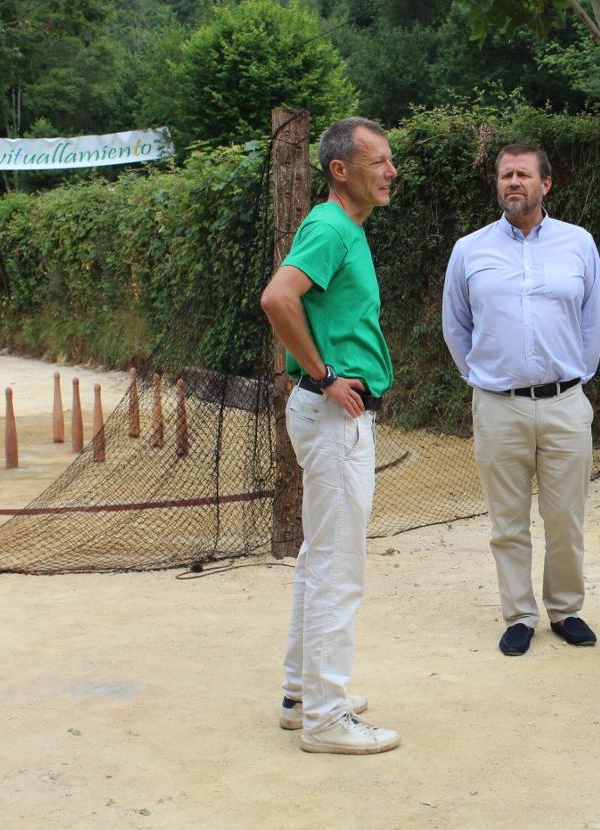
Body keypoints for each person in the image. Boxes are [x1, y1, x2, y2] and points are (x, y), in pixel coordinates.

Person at [259, 117, 401, 755]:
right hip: (335, 415)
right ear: (341, 170)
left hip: (333, 414)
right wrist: (325, 378)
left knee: (321, 558)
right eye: (378, 161)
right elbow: (278, 298)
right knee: (339, 567)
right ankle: (325, 717)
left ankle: (302, 696)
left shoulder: (345, 228)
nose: (391, 171)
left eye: (390, 160)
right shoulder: (328, 226)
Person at [442, 144, 600, 657]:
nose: (513, 182)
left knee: (566, 518)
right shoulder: (470, 250)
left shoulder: (579, 244)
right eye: (504, 175)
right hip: (497, 407)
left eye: (523, 174)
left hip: (564, 403)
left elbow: (593, 320)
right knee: (507, 522)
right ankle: (518, 615)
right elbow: (456, 325)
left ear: (546, 184)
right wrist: (484, 376)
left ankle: (565, 609)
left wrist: (574, 377)